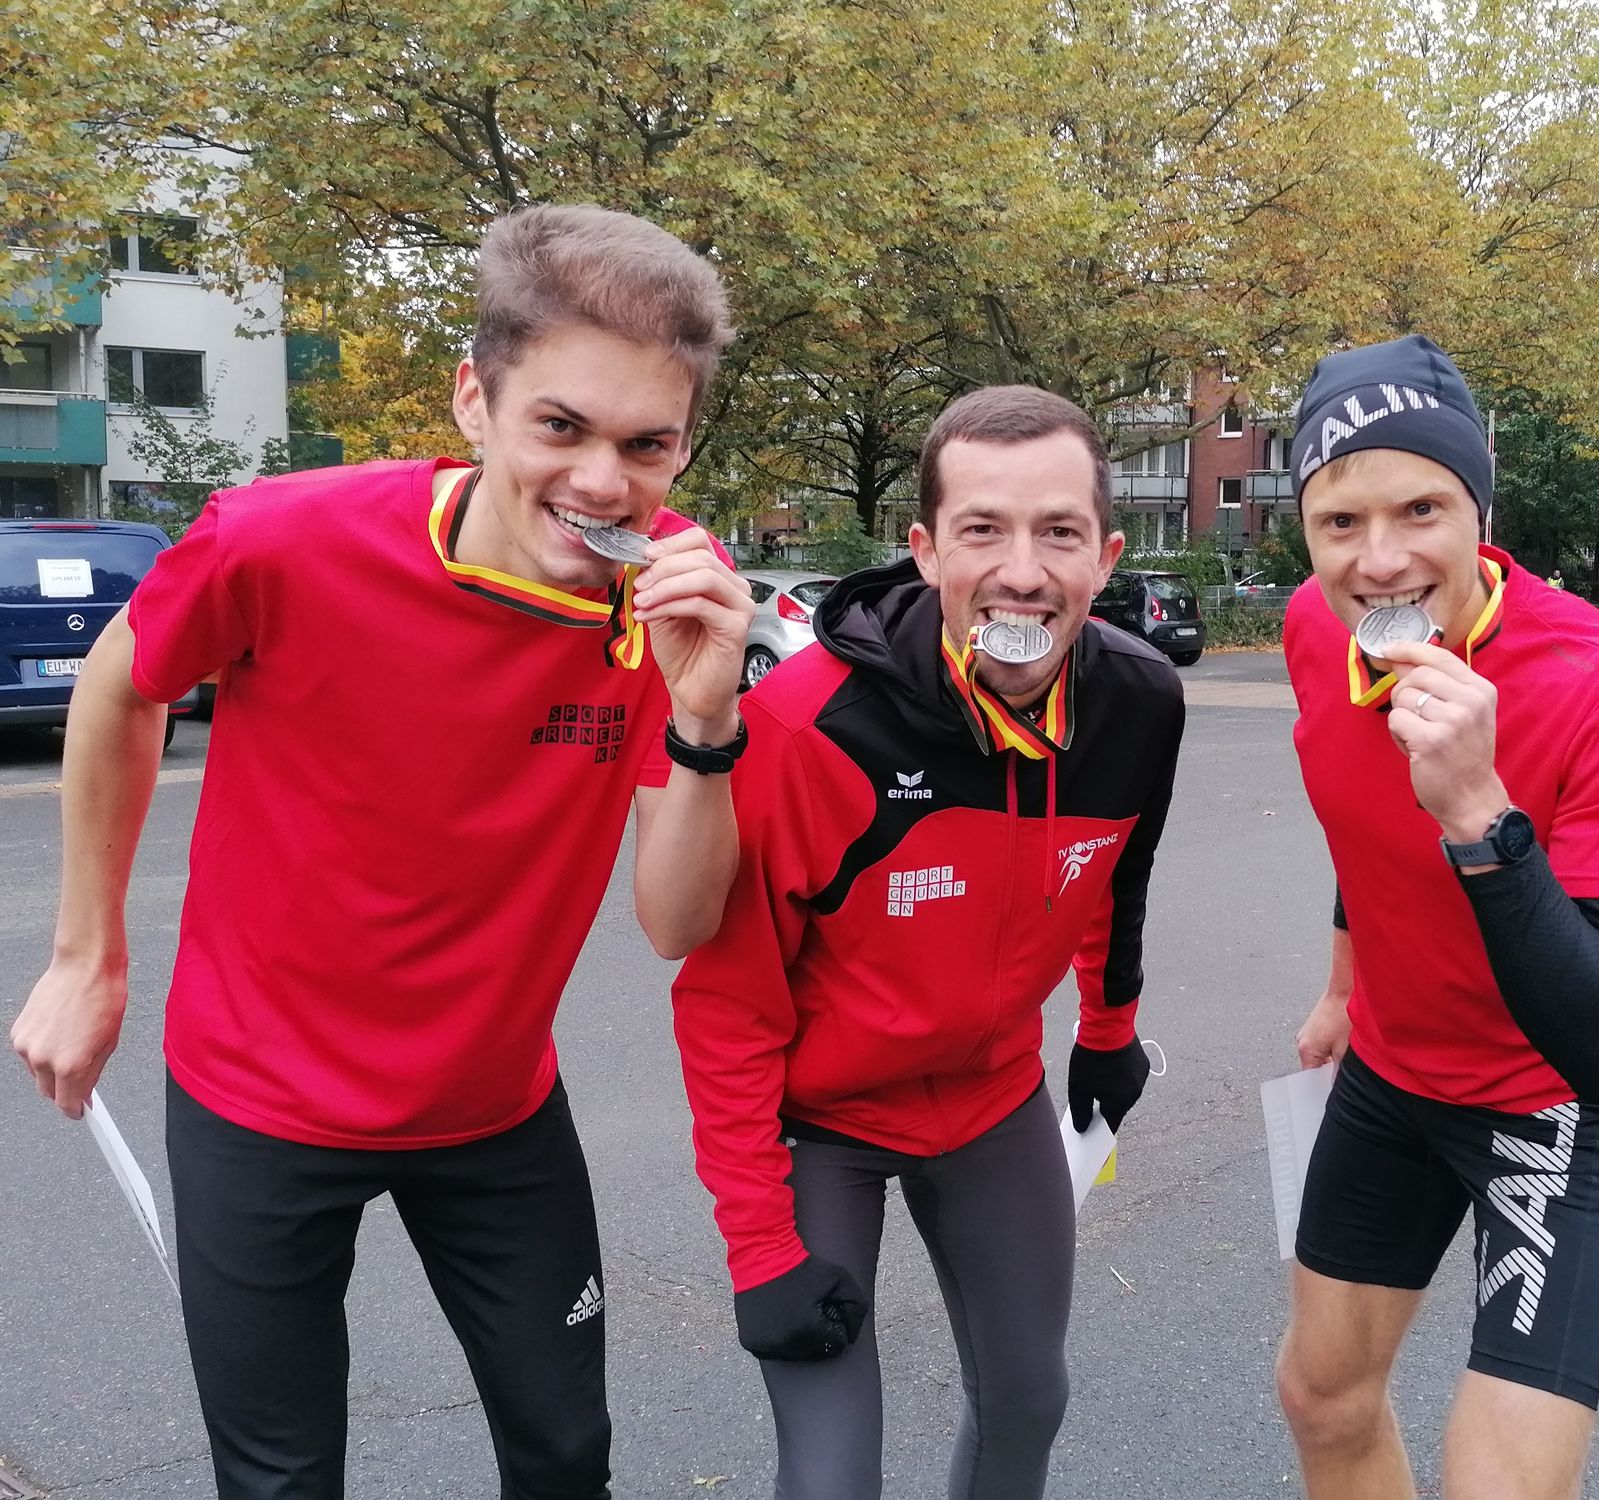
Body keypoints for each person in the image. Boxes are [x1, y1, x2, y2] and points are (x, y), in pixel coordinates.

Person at [10, 202, 756, 1500]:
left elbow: (677, 924)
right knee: (282, 1481)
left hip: (493, 1110)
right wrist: (88, 956)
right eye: (560, 426)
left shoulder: (674, 599)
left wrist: (704, 720)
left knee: (567, 1456)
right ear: (476, 400)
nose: (602, 485)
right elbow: (123, 684)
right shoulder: (279, 539)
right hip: (257, 1101)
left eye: (647, 444)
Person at [670, 385, 1185, 1499]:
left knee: (1028, 1403)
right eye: (982, 529)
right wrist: (760, 1248)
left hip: (991, 1102)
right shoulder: (809, 725)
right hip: (821, 1124)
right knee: (830, 1476)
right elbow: (725, 1000)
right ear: (924, 551)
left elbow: (1118, 871)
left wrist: (1109, 1030)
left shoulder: (1140, 699)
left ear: (1105, 556)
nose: (1021, 571)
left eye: (1058, 532)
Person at [1274, 335, 1599, 1500]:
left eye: (1420, 509)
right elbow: (1357, 827)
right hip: (1391, 1075)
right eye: (1339, 522)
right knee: (1319, 1396)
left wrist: (1476, 812)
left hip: (1537, 1104)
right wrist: (1342, 985)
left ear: (1477, 511)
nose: (1380, 559)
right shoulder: (1313, 629)